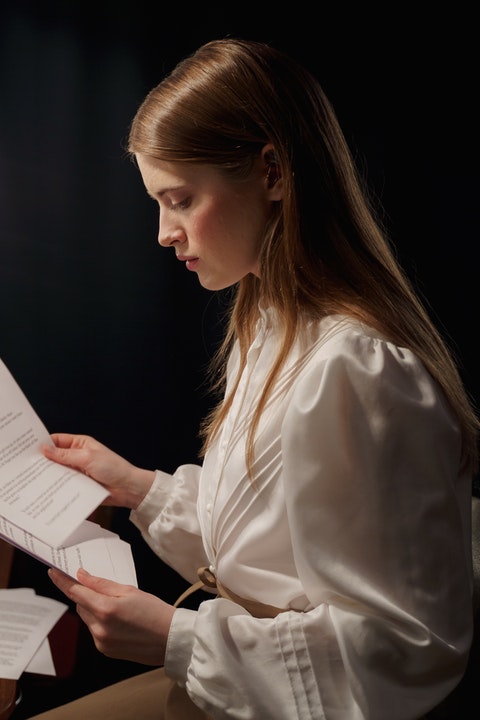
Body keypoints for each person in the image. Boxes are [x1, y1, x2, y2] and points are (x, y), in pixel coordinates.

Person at [27, 38, 478, 720]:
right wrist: (137, 487)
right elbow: (274, 537)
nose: (162, 232)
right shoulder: (266, 323)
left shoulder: (355, 370)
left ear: (272, 172)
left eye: (179, 199)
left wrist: (177, 639)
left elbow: (403, 653)